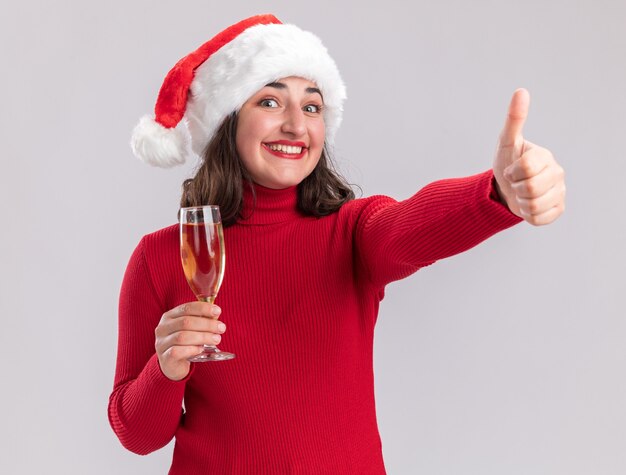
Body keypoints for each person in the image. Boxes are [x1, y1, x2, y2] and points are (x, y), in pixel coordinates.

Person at [108, 14, 565, 474]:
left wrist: (497, 192)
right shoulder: (160, 257)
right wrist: (166, 369)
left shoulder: (352, 231)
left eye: (312, 107)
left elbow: (411, 227)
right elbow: (137, 435)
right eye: (270, 101)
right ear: (227, 121)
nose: (295, 125)